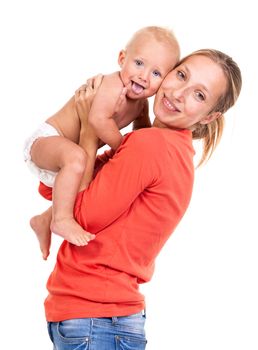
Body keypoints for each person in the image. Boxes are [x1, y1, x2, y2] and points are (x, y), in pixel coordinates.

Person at [41, 49, 242, 349]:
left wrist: (88, 125)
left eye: (199, 95)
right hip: (99, 320)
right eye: (182, 75)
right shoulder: (170, 150)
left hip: (95, 318)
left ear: (210, 116)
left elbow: (78, 214)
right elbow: (52, 189)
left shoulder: (151, 147)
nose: (178, 92)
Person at [23, 26, 180, 259]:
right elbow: (97, 120)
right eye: (139, 63)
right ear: (122, 58)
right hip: (46, 142)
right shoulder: (111, 85)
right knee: (76, 158)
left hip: (72, 164)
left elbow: (142, 132)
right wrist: (123, 148)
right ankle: (61, 219)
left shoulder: (140, 106)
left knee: (104, 176)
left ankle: (44, 219)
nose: (144, 76)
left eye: (156, 74)